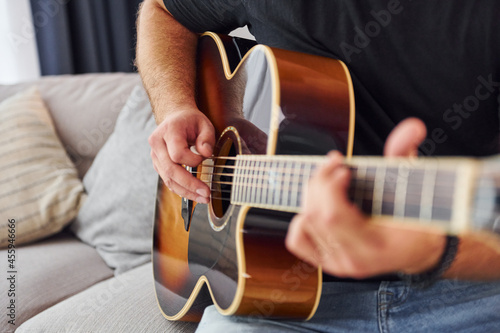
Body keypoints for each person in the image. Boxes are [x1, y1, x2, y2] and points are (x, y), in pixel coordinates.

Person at [136, 0, 500, 331]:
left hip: (475, 294)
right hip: (277, 296)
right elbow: (162, 11)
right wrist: (176, 107)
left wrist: (434, 252)